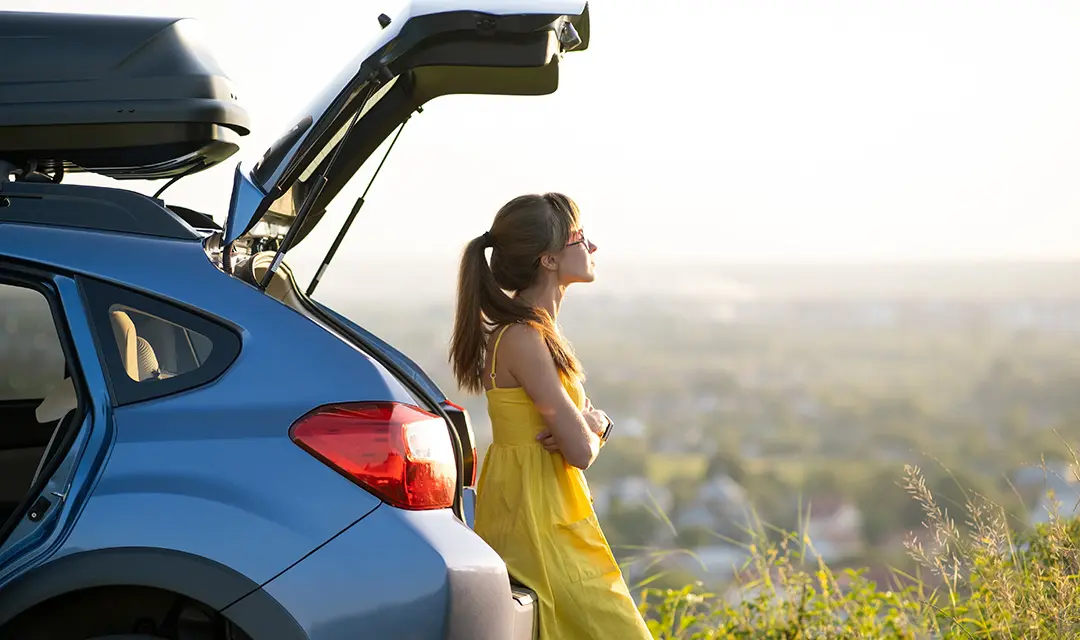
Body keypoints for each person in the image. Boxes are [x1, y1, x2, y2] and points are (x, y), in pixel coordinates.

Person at [450, 193, 651, 639]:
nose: (592, 247)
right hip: (539, 522)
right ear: (549, 259)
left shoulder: (531, 332)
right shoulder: (524, 338)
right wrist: (597, 425)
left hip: (542, 511)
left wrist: (584, 427)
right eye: (581, 238)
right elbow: (579, 449)